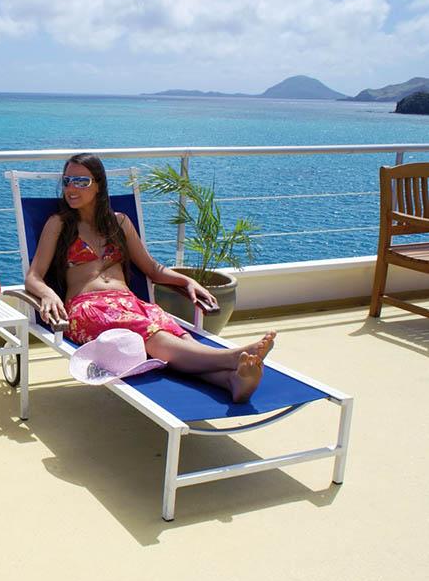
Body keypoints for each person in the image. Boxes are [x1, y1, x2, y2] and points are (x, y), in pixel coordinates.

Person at [25, 153, 275, 403]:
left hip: (130, 303)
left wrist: (186, 281)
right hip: (89, 308)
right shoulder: (58, 224)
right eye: (67, 180)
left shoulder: (119, 223)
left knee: (175, 336)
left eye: (81, 182)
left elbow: (153, 269)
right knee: (156, 337)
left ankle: (231, 380)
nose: (71, 188)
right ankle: (231, 357)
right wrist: (47, 293)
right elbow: (33, 277)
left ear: (99, 184)